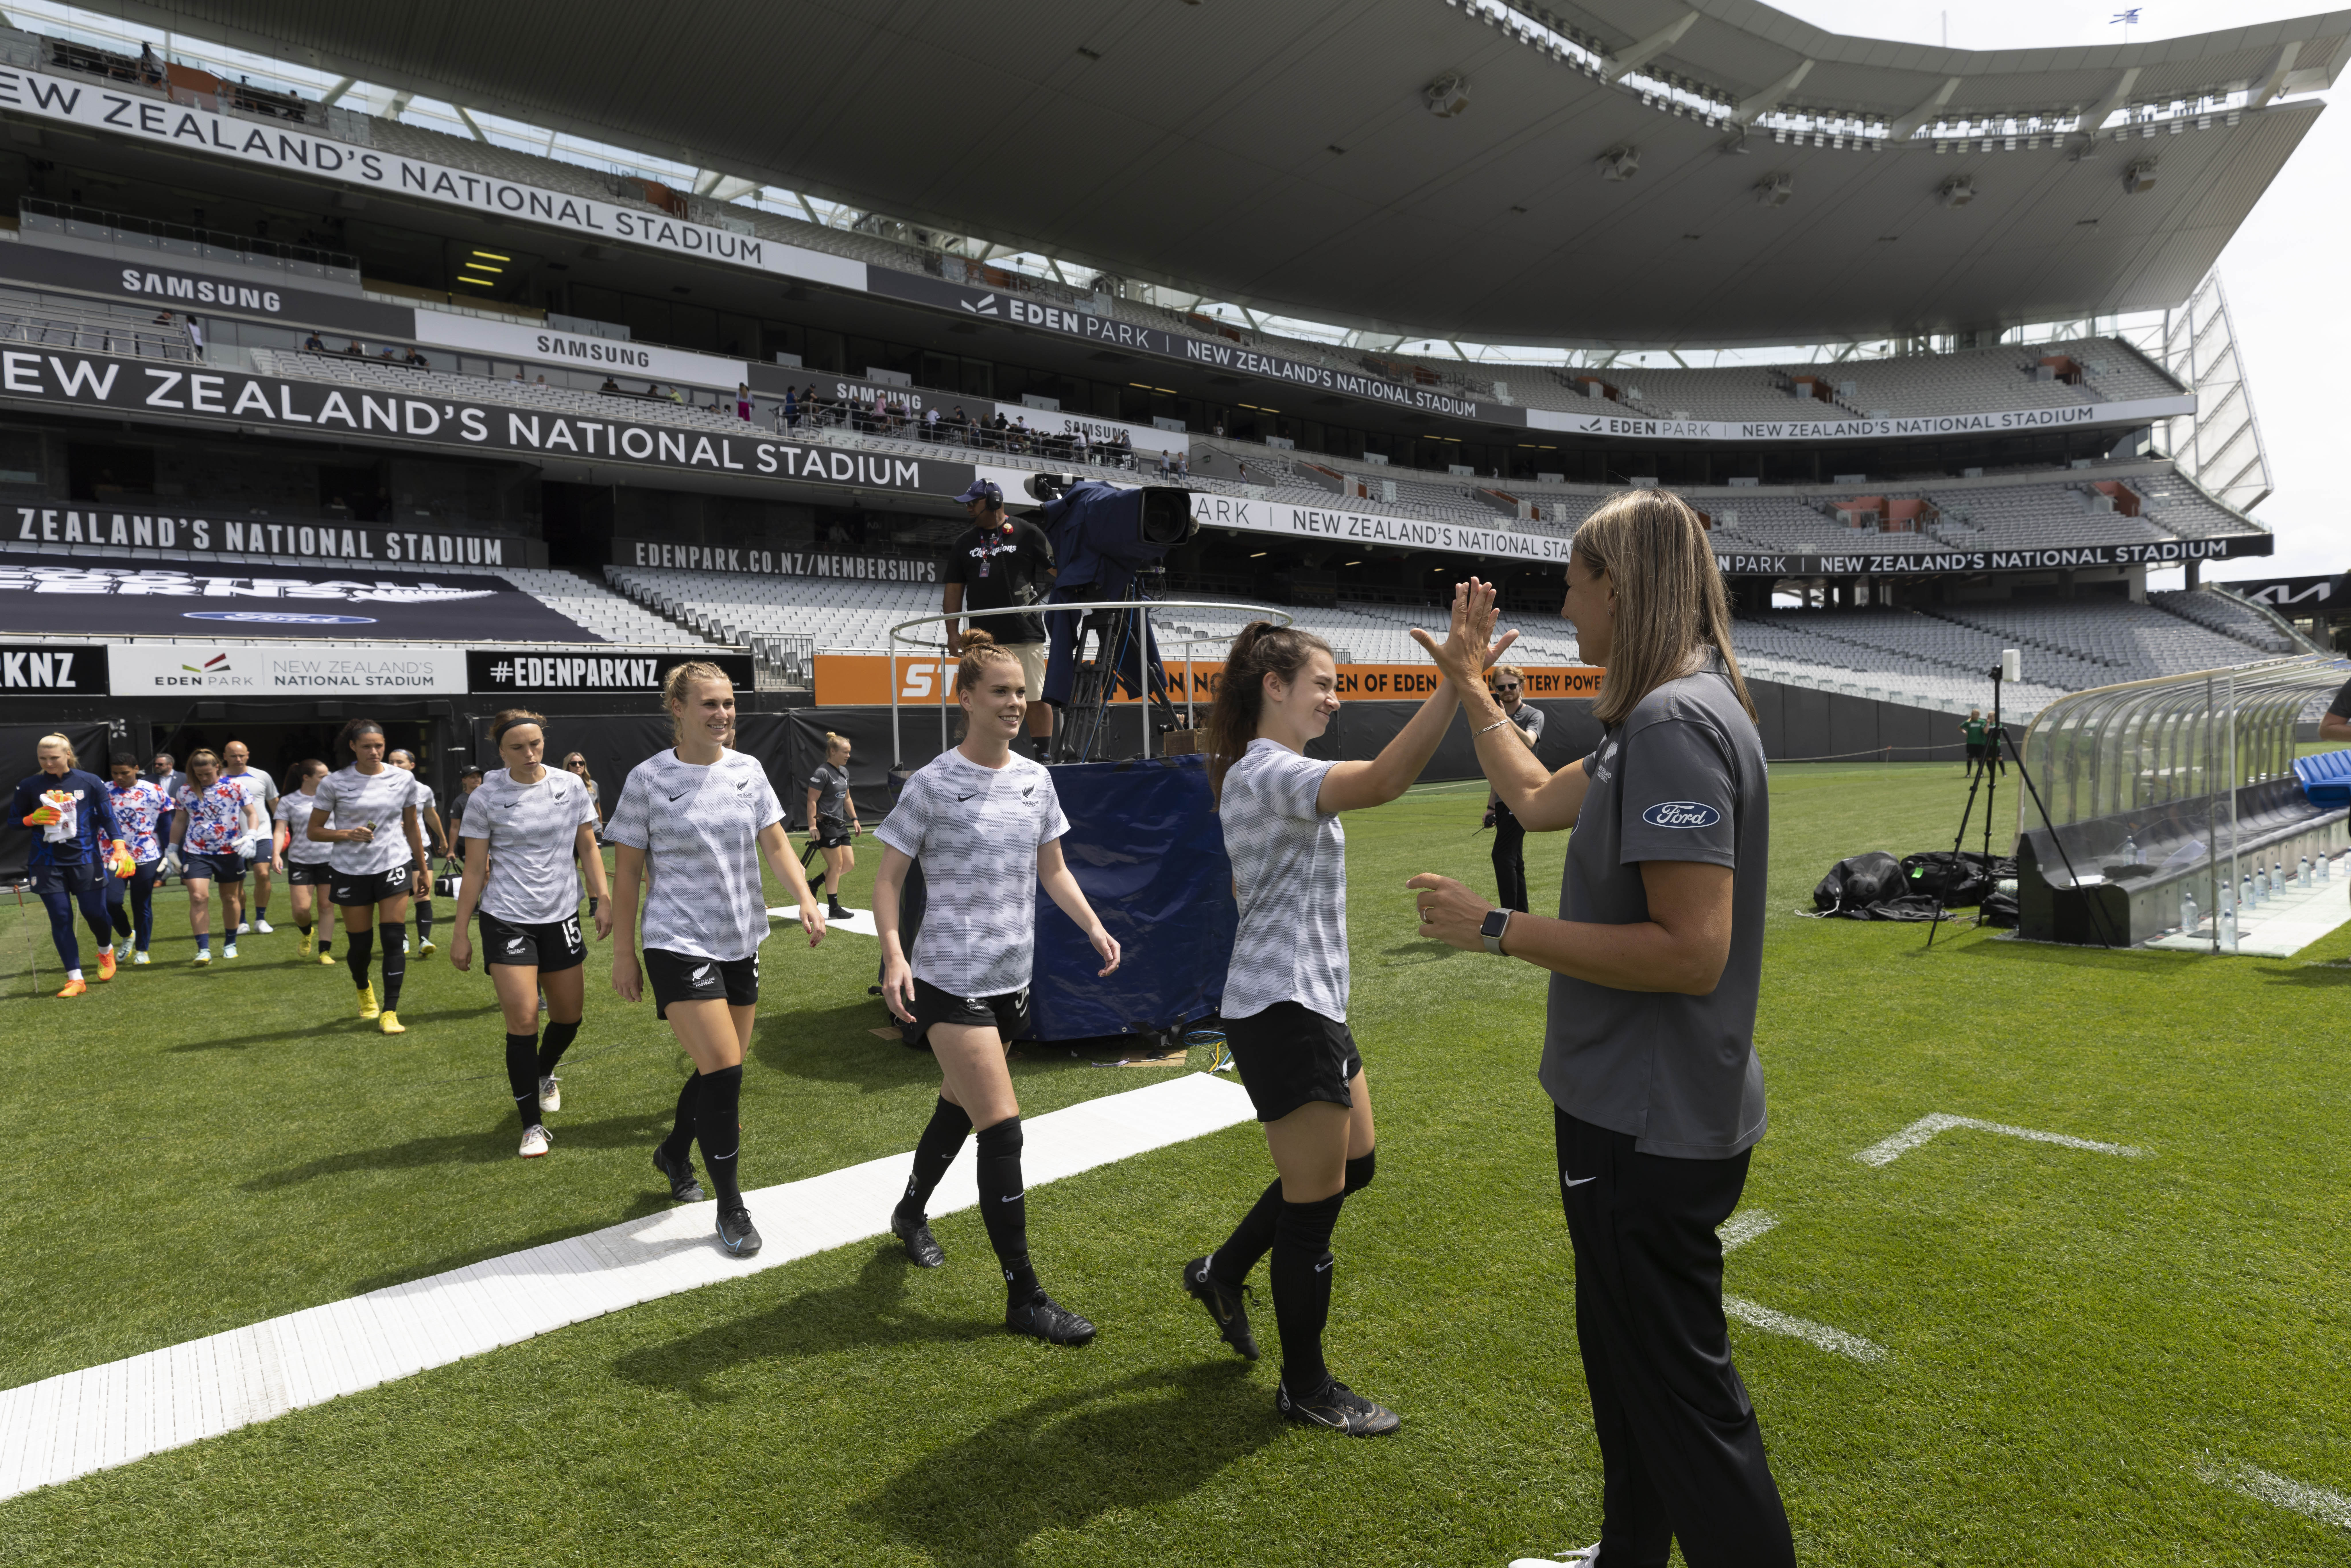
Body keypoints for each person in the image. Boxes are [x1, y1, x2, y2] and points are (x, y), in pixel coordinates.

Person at [1406, 490, 1796, 1568]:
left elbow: (1689, 950)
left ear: (1615, 585)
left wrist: (1495, 926)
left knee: (1684, 1401)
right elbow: (1530, 795)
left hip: (1647, 1116)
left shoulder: (1673, 721)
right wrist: (1471, 686)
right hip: (1637, 1105)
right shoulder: (1662, 711)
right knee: (1624, 1361)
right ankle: (1625, 1553)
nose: (1566, 605)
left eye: (1573, 584)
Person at [1178, 586, 1509, 1437]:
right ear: (1273, 687)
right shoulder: (1267, 770)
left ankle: (1221, 1270)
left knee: (1349, 1168)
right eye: (1321, 683)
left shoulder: (1272, 772)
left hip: (1308, 1004)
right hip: (1283, 1009)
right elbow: (1387, 779)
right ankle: (1306, 1386)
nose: (1334, 696)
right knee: (1316, 1201)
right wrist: (1455, 682)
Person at [873, 630, 1122, 1346]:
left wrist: (1093, 925)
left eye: (1022, 692)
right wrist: (894, 955)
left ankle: (909, 1211)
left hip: (1014, 979)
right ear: (966, 699)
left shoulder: (1035, 780)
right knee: (1002, 1126)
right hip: (950, 981)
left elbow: (1055, 870)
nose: (1017, 703)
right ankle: (1025, 1295)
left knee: (957, 1105)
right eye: (1002, 692)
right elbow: (887, 879)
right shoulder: (931, 783)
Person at [608, 663, 826, 1255]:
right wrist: (624, 953)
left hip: (742, 938)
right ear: (676, 708)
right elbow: (626, 873)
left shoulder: (748, 770)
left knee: (718, 1068)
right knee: (726, 1071)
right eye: (709, 703)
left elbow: (776, 842)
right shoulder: (648, 779)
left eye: (728, 703)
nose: (723, 714)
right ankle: (731, 1206)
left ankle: (673, 1151)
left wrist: (805, 897)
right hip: (676, 939)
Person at [450, 710, 611, 1159]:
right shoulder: (485, 798)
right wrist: (461, 932)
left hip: (561, 916)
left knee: (568, 1017)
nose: (529, 753)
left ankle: (543, 1072)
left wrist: (602, 898)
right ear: (500, 753)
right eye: (517, 748)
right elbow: (475, 870)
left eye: (536, 744)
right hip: (506, 918)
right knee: (522, 1020)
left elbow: (588, 846)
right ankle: (532, 1127)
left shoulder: (570, 785)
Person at [309, 719, 430, 1034]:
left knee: (393, 938)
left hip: (394, 864)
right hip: (350, 870)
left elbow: (412, 825)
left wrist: (422, 868)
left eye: (379, 746)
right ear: (353, 747)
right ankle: (364, 989)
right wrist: (347, 834)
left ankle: (390, 1011)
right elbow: (314, 831)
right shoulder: (334, 782)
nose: (375, 752)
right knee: (360, 946)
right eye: (367, 746)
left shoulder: (404, 778)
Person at [942, 479, 1058, 762]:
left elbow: (1059, 570)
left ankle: (1044, 756)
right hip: (981, 640)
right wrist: (952, 633)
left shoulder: (1026, 532)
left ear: (994, 501)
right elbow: (953, 590)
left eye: (973, 502)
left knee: (1034, 697)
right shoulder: (964, 543)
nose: (968, 508)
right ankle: (980, 755)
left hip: (1024, 631)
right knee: (979, 700)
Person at [11, 734, 131, 995]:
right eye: (43, 758)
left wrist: (120, 848)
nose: (49, 763)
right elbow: (13, 821)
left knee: (95, 914)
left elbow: (108, 818)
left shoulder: (89, 781)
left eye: (54, 757)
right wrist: (32, 819)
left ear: (68, 754)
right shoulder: (30, 785)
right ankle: (75, 979)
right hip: (46, 862)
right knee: (61, 917)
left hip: (86, 859)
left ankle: (105, 950)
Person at [172, 748, 265, 965]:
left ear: (218, 768)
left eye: (208, 774)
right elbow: (179, 821)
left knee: (231, 898)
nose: (203, 778)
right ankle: (203, 950)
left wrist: (251, 835)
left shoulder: (235, 787)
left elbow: (252, 814)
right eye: (199, 775)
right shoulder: (185, 791)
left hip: (230, 851)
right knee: (198, 897)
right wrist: (170, 849)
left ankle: (230, 944)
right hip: (196, 851)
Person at [1483, 665, 1547, 914]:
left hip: (1524, 795)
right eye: (1501, 687)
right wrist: (1491, 806)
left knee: (1502, 856)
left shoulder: (1534, 715)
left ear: (1522, 685)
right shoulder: (1492, 719)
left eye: (1512, 685)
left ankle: (1510, 918)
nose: (1507, 691)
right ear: (1495, 690)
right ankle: (1521, 916)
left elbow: (1530, 742)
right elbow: (1496, 767)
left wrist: (1503, 720)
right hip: (1503, 798)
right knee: (1514, 860)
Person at [104, 753, 172, 966]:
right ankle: (127, 935)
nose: (120, 777)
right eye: (115, 773)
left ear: (136, 768)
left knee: (141, 904)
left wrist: (169, 853)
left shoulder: (154, 790)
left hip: (146, 854)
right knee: (111, 902)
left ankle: (143, 950)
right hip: (112, 855)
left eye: (124, 773)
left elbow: (166, 824)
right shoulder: (104, 791)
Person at [274, 759, 337, 964]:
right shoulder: (289, 801)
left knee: (326, 906)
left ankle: (324, 952)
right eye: (323, 776)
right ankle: (307, 931)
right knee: (301, 910)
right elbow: (280, 830)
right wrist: (276, 854)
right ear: (306, 778)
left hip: (330, 859)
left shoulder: (334, 797)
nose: (328, 779)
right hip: (300, 860)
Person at [387, 748, 448, 957]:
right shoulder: (380, 789)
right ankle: (402, 939)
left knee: (423, 894)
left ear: (412, 766)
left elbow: (431, 815)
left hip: (420, 848)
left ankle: (424, 941)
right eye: (391, 762)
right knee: (399, 897)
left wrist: (442, 837)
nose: (395, 766)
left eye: (400, 762)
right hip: (392, 850)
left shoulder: (423, 790)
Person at [220, 740, 278, 935]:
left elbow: (274, 803)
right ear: (225, 757)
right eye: (233, 756)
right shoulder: (217, 777)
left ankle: (261, 919)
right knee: (237, 881)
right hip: (231, 838)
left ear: (248, 755)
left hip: (261, 833)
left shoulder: (262, 776)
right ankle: (242, 920)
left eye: (242, 755)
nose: (238, 759)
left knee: (263, 874)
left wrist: (282, 829)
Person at [804, 731, 860, 920]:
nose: (848, 756)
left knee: (848, 864)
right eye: (845, 752)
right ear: (833, 751)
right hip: (825, 825)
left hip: (840, 824)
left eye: (849, 752)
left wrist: (855, 819)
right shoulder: (822, 773)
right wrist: (813, 826)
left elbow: (847, 798)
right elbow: (812, 801)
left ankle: (815, 884)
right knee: (836, 866)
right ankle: (834, 908)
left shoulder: (844, 772)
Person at [561, 751, 604, 918]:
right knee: (568, 871)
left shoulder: (593, 785)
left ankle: (594, 908)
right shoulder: (561, 785)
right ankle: (567, 906)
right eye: (574, 763)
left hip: (594, 832)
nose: (578, 766)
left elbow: (598, 809)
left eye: (581, 763)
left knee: (591, 869)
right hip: (570, 833)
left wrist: (600, 827)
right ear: (567, 766)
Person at [1961, 708, 1987, 777]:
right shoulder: (1969, 722)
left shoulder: (1982, 722)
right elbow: (1960, 727)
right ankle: (1968, 774)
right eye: (1974, 714)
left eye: (1976, 714)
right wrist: (1965, 732)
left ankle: (1981, 773)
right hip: (1970, 743)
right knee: (1970, 758)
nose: (1975, 716)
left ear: (1979, 715)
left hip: (1980, 743)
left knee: (1980, 758)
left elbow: (1985, 730)